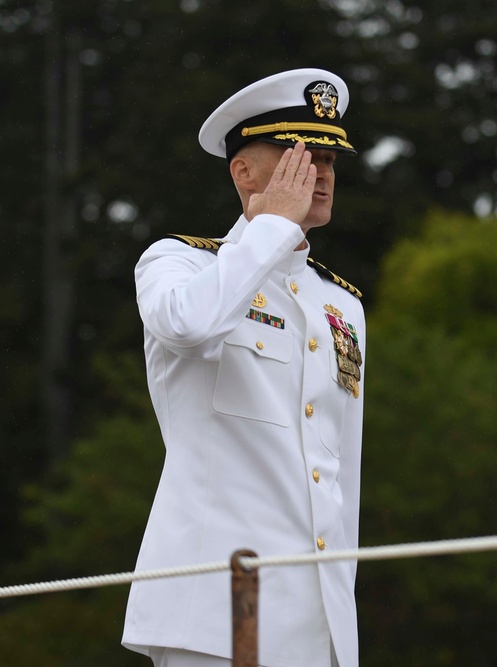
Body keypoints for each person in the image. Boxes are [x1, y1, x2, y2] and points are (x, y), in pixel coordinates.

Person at [122, 69, 366, 667]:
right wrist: (273, 229)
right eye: (298, 155)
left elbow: (341, 472)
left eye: (330, 157)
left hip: (318, 619)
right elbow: (187, 324)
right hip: (211, 610)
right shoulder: (177, 263)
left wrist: (342, 612)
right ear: (243, 172)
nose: (321, 172)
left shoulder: (343, 304)